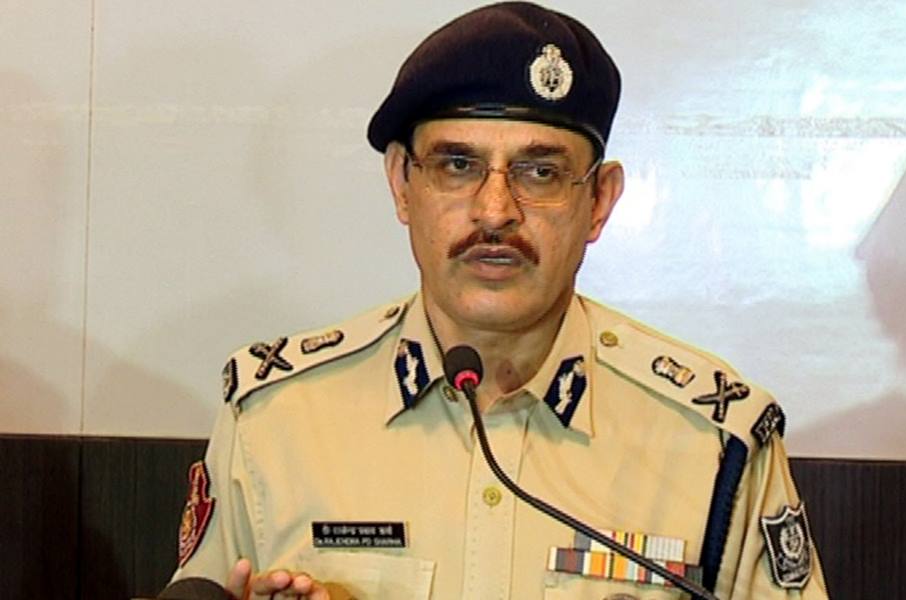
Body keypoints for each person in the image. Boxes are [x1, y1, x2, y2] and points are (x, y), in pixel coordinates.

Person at [170, 2, 829, 598]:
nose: (494, 212)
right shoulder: (275, 418)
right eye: (457, 166)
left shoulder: (715, 442)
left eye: (540, 172)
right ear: (401, 184)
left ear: (599, 201)